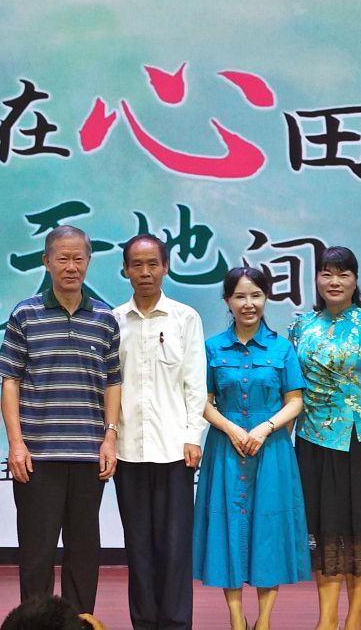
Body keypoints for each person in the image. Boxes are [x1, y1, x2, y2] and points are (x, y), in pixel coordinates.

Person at [0, 225, 121, 615]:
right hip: (37, 457)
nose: (71, 266)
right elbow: (10, 381)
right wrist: (16, 444)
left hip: (88, 455)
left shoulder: (105, 318)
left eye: (78, 259)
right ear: (46, 262)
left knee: (84, 551)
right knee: (37, 552)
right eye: (62, 258)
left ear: (89, 262)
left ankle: (80, 621)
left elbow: (113, 382)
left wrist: (110, 437)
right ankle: (37, 623)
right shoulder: (26, 314)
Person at [288, 245, 361, 630]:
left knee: (358, 534)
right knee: (324, 532)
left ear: (355, 280)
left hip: (360, 442)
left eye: (343, 274)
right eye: (327, 274)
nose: (334, 281)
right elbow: (292, 390)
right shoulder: (301, 326)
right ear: (317, 278)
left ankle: (353, 621)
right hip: (312, 442)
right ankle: (326, 620)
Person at [194, 266, 310, 630]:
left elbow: (295, 401)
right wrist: (230, 428)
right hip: (225, 449)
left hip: (271, 450)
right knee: (226, 528)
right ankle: (236, 619)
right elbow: (202, 401)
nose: (249, 304)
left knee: (269, 530)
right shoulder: (212, 347)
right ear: (227, 301)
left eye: (256, 295)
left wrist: (265, 427)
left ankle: (264, 621)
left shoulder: (282, 348)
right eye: (240, 296)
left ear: (266, 298)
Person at [111, 234, 206, 630]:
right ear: (125, 270)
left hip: (174, 450)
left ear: (165, 267)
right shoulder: (114, 321)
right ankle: (144, 623)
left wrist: (193, 436)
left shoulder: (185, 318)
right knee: (138, 547)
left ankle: (176, 623)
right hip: (127, 450)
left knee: (175, 547)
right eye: (137, 265)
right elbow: (108, 385)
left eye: (153, 264)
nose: (145, 272)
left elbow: (195, 383)